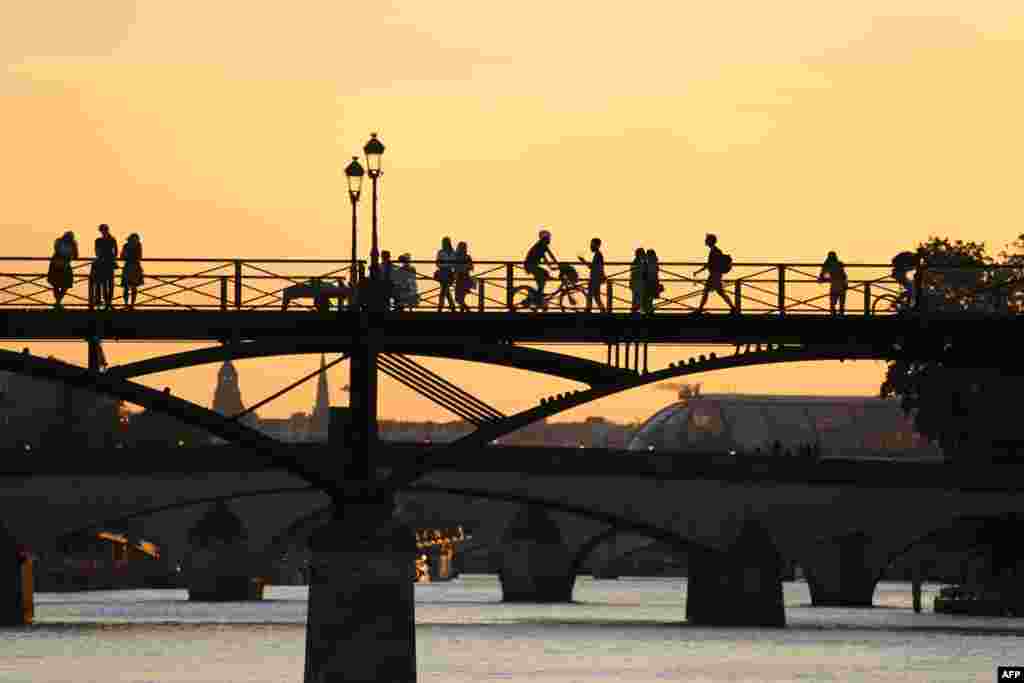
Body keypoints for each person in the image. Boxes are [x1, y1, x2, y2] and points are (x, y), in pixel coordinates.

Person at [693, 233, 736, 314]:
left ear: (710, 241)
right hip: (715, 275)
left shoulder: (715, 251)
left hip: (714, 275)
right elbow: (710, 264)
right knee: (720, 292)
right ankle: (733, 308)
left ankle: (699, 309)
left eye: (707, 240)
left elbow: (709, 264)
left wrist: (698, 271)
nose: (705, 241)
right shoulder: (715, 250)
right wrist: (698, 271)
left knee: (707, 292)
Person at [524, 229, 557, 309]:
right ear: (545, 238)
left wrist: (553, 265)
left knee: (543, 278)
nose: (549, 240)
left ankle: (538, 297)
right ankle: (537, 298)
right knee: (544, 275)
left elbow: (548, 256)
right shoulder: (541, 245)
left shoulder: (542, 245)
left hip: (531, 265)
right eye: (549, 238)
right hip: (531, 265)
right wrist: (556, 265)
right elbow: (548, 257)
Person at [48, 230, 78, 308]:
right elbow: (57, 250)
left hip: (61, 265)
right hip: (58, 265)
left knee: (63, 284)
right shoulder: (60, 241)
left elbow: (76, 255)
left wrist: (73, 250)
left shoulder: (71, 243)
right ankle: (58, 302)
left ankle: (58, 302)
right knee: (57, 285)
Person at [577, 237, 605, 313]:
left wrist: (583, 261)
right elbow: (598, 267)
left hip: (595, 278)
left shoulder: (598, 255)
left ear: (597, 245)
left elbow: (593, 267)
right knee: (596, 297)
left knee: (590, 296)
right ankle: (602, 310)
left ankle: (588, 310)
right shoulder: (598, 254)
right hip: (596, 278)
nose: (591, 246)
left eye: (592, 244)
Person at [93, 224, 118, 310]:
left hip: (104, 263)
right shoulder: (111, 239)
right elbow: (115, 252)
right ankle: (107, 302)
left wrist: (102, 257)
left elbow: (97, 252)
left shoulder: (101, 240)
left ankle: (107, 302)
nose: (103, 232)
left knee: (107, 283)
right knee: (106, 283)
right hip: (107, 263)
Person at [818, 251, 848, 315]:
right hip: (839, 284)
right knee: (837, 302)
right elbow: (844, 275)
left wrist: (822, 279)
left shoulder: (828, 264)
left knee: (835, 302)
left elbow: (822, 276)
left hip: (838, 284)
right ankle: (838, 313)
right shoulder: (838, 264)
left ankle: (836, 313)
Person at [120, 233, 144, 309]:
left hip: (133, 267)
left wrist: (127, 256)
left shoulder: (137, 245)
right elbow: (122, 256)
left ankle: (131, 305)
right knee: (127, 287)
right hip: (131, 267)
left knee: (132, 287)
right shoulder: (127, 245)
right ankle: (127, 304)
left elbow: (139, 256)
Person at [435, 237, 456, 312]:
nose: (444, 244)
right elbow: (437, 262)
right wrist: (444, 265)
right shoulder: (441, 252)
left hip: (449, 272)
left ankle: (442, 307)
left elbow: (455, 263)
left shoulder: (453, 252)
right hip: (443, 272)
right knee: (445, 290)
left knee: (444, 290)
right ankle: (451, 307)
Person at [453, 241, 475, 313]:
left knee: (459, 298)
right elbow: (471, 267)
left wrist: (463, 267)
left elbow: (471, 267)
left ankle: (466, 310)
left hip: (463, 278)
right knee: (460, 298)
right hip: (462, 278)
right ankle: (466, 310)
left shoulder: (460, 257)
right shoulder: (466, 257)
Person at [644, 248, 661, 315]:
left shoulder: (649, 262)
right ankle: (650, 310)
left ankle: (649, 311)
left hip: (650, 282)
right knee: (650, 298)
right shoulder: (655, 262)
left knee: (648, 298)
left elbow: (647, 272)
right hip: (654, 281)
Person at [629, 248, 647, 313]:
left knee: (636, 298)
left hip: (636, 282)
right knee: (639, 298)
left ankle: (634, 310)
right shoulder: (640, 262)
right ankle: (637, 310)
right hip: (639, 282)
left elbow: (632, 273)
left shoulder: (636, 261)